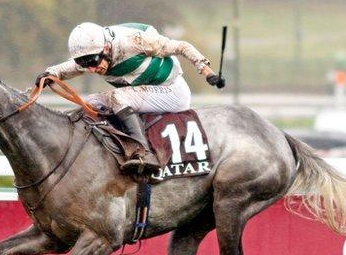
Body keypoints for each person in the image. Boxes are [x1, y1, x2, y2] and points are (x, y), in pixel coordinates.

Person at [36, 22, 225, 174]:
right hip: (144, 92)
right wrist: (49, 74)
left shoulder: (134, 42)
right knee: (90, 103)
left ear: (107, 48)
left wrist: (206, 71)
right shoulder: (93, 54)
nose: (91, 69)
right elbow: (70, 67)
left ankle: (143, 153)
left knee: (117, 97)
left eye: (93, 62)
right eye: (85, 64)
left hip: (172, 91)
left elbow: (182, 47)